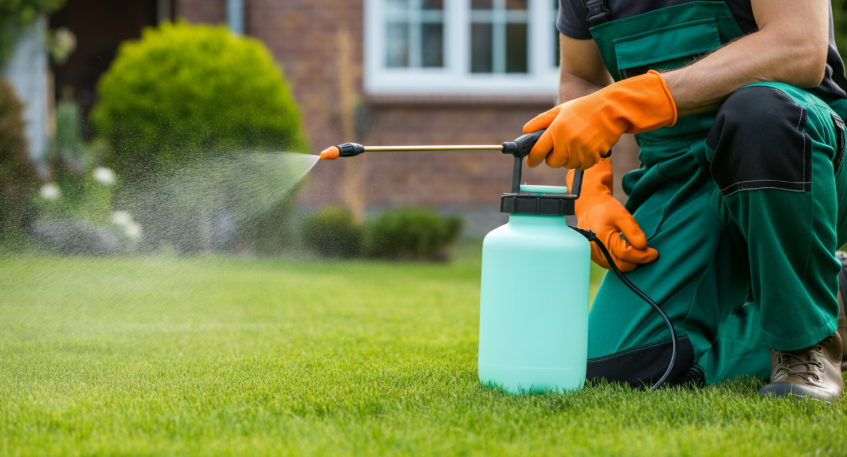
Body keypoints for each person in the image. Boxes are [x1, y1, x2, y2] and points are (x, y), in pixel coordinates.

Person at [526, 0, 847, 401]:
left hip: (797, 156)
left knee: (759, 113)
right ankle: (836, 302)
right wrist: (590, 187)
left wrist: (634, 99)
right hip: (679, 179)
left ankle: (806, 342)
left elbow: (799, 47)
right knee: (624, 365)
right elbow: (580, 78)